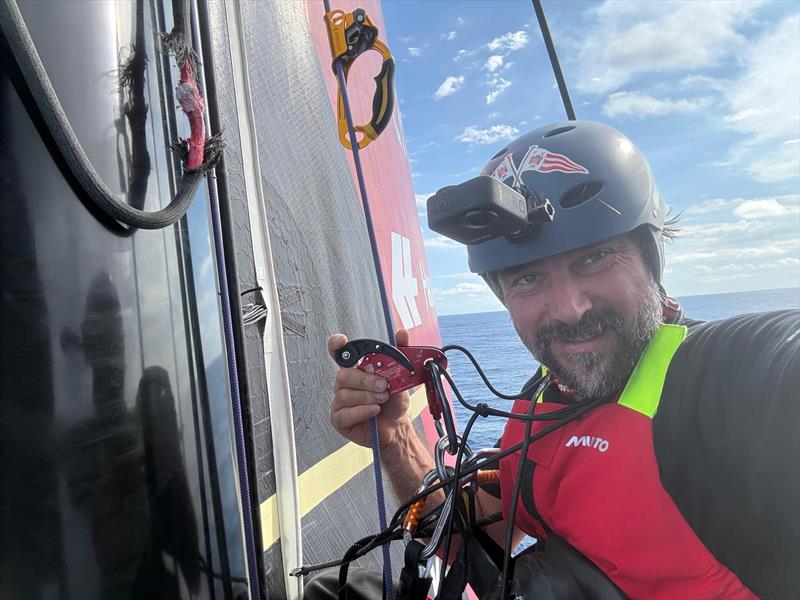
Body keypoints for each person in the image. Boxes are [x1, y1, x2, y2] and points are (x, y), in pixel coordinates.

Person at [315, 121, 799, 599]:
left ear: (650, 257)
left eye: (594, 258)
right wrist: (398, 440)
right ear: (502, 295)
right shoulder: (544, 401)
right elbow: (466, 536)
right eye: (527, 279)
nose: (569, 309)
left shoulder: (725, 376)